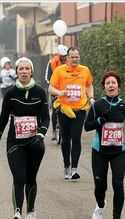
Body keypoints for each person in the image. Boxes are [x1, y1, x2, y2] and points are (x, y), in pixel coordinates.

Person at [0, 57, 50, 219]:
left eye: (27, 69)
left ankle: (31, 214)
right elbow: (2, 119)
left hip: (35, 143)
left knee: (31, 179)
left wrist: (40, 135)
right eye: (21, 69)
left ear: (31, 71)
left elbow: (45, 117)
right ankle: (17, 213)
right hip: (15, 142)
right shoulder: (10, 94)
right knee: (19, 178)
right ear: (16, 72)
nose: (24, 71)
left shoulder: (39, 92)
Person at [84, 70, 125, 219]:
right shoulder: (98, 105)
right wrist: (101, 120)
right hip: (99, 151)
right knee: (101, 187)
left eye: (113, 82)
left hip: (118, 151)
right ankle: (100, 205)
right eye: (107, 83)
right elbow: (87, 126)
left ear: (118, 86)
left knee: (118, 184)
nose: (111, 85)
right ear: (104, 87)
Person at [48, 46, 94, 180]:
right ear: (67, 58)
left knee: (76, 137)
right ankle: (66, 166)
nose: (74, 59)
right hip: (64, 109)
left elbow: (89, 84)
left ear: (79, 58)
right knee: (66, 138)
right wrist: (59, 93)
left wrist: (90, 97)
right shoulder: (59, 70)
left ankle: (74, 168)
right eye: (72, 57)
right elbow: (51, 88)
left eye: (76, 57)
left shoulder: (85, 70)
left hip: (79, 109)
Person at [45, 44, 68, 141]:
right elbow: (47, 78)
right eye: (62, 56)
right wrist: (52, 88)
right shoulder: (51, 63)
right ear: (58, 55)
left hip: (66, 91)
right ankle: (54, 130)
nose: (64, 58)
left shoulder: (69, 62)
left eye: (65, 56)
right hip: (55, 90)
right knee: (54, 110)